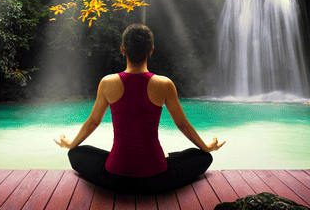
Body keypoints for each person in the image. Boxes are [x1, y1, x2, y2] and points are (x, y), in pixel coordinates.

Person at [54, 24, 225, 194]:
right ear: (151, 50)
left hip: (114, 177)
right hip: (157, 178)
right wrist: (206, 147)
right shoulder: (164, 84)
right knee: (203, 157)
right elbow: (182, 124)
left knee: (76, 153)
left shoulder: (107, 83)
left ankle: (121, 160)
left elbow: (93, 122)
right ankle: (165, 157)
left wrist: (71, 143)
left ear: (122, 49)